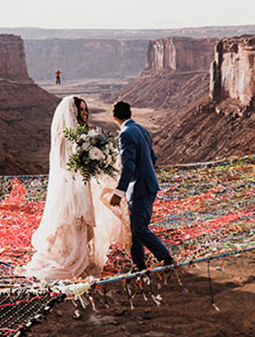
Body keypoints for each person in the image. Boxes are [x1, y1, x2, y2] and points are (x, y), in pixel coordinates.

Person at [18, 96, 130, 280]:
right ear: (73, 112)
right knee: (73, 222)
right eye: (82, 110)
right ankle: (69, 258)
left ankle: (82, 256)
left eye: (86, 110)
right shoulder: (64, 136)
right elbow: (62, 165)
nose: (85, 113)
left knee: (84, 225)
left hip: (83, 187)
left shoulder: (83, 136)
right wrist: (84, 165)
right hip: (71, 189)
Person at [110, 101, 173, 272]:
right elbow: (152, 157)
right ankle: (138, 263)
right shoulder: (141, 129)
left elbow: (128, 167)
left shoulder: (125, 135)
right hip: (146, 184)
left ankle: (166, 258)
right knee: (134, 228)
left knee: (138, 229)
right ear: (130, 114)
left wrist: (119, 191)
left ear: (114, 116)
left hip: (140, 188)